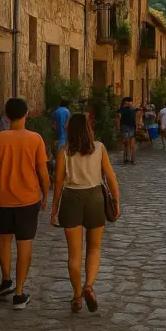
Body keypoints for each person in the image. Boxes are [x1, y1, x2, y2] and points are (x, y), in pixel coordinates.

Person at [0, 97, 49, 310]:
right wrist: (46, 193)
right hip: (28, 199)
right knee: (24, 244)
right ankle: (19, 293)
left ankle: (6, 279)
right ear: (26, 113)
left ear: (6, 115)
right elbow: (43, 172)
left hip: (2, 198)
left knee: (4, 240)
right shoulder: (35, 139)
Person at [51, 114, 120, 313]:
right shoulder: (99, 148)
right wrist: (116, 201)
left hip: (71, 198)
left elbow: (58, 182)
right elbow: (110, 177)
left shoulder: (64, 152)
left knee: (74, 253)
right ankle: (89, 286)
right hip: (95, 197)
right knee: (94, 247)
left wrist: (54, 208)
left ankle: (76, 296)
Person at [117, 97, 138, 164]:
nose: (130, 103)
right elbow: (118, 118)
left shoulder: (131, 109)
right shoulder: (125, 109)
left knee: (128, 143)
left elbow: (136, 119)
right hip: (127, 127)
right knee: (129, 143)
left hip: (128, 127)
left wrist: (118, 127)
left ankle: (128, 158)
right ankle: (129, 159)